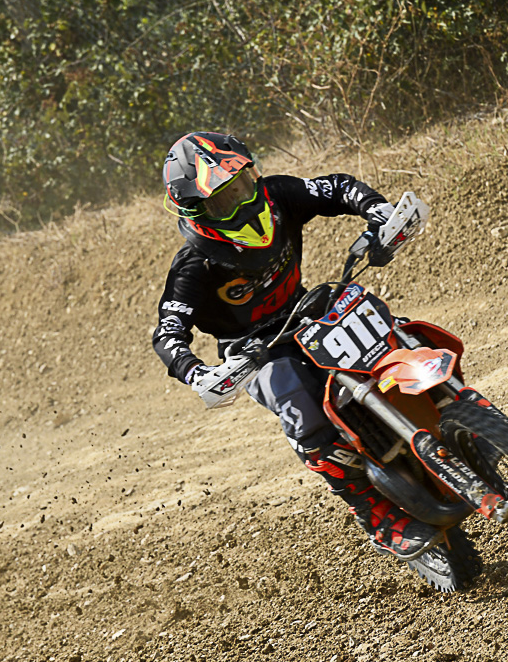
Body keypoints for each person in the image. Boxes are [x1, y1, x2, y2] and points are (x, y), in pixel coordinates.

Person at [152, 131, 442, 560]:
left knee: (384, 325)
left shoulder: (277, 195)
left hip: (306, 311)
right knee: (299, 406)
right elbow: (167, 332)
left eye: (243, 184)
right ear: (197, 211)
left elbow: (336, 188)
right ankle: (375, 515)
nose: (243, 201)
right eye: (224, 200)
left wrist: (377, 211)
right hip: (253, 351)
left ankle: (456, 412)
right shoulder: (194, 266)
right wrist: (197, 373)